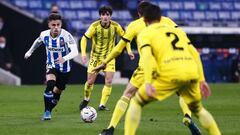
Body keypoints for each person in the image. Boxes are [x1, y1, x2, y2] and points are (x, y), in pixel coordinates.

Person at [96, 2, 208, 135]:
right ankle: (187, 117)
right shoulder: (167, 21)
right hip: (168, 64)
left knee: (127, 95)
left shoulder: (134, 25)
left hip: (146, 66)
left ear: (139, 14)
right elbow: (182, 38)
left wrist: (105, 62)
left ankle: (110, 129)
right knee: (183, 92)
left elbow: (119, 48)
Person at [124, 4, 221, 135]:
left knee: (136, 102)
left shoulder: (146, 33)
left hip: (170, 71)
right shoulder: (177, 31)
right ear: (160, 18)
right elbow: (195, 53)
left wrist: (147, 82)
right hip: (191, 71)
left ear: (144, 20)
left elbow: (147, 57)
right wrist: (202, 80)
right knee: (199, 110)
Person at [24, 13, 78, 120]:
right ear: (49, 25)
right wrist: (29, 52)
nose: (56, 27)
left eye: (58, 25)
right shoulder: (44, 34)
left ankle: (50, 107)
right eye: (53, 25)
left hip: (65, 68)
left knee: (57, 92)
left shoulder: (66, 35)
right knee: (50, 84)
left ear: (61, 24)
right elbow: (37, 42)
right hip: (51, 64)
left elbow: (75, 51)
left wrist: (64, 58)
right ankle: (47, 112)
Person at [79, 6, 133, 111]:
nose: (105, 17)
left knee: (108, 81)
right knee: (90, 82)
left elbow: (126, 38)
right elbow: (84, 39)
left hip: (109, 58)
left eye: (107, 15)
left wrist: (129, 51)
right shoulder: (94, 26)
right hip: (95, 58)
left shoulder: (115, 26)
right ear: (100, 16)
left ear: (110, 16)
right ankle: (86, 99)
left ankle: (102, 105)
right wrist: (83, 54)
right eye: (103, 15)